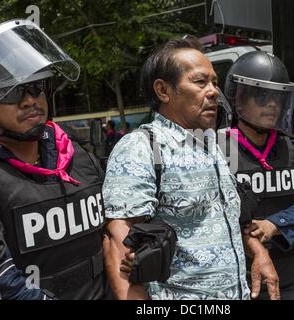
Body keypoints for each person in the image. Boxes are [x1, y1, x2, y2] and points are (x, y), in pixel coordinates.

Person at [102, 38, 279, 300]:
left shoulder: (212, 143)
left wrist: (259, 252)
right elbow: (118, 243)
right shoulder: (140, 147)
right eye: (200, 82)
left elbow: (224, 217)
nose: (213, 92)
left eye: (215, 82)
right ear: (163, 90)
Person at [0, 19, 108, 300]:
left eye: (36, 86)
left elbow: (115, 229)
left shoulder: (76, 152)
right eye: (11, 90)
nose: (30, 100)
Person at [221, 51, 294, 300]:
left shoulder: (292, 149)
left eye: (278, 97)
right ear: (239, 99)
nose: (272, 105)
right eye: (262, 96)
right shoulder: (219, 150)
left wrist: (273, 224)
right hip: (240, 285)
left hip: (289, 281)